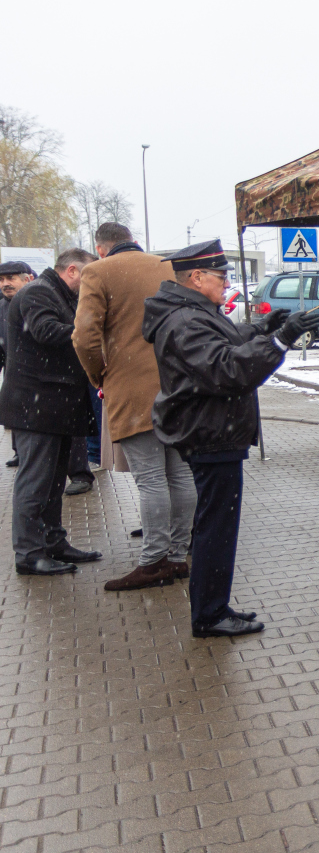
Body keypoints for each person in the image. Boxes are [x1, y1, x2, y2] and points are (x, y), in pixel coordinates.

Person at [143, 239, 319, 637]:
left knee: (216, 525)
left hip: (212, 431)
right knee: (216, 529)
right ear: (196, 277)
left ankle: (214, 606)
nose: (227, 282)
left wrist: (262, 328)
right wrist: (279, 340)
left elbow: (225, 337)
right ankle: (209, 614)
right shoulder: (185, 319)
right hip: (210, 433)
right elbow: (226, 369)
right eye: (221, 276)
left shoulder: (191, 311)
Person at [72, 221, 196, 590]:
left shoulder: (98, 271)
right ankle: (178, 556)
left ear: (101, 248)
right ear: (133, 241)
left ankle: (153, 562)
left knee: (151, 479)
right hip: (178, 385)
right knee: (180, 475)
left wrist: (99, 375)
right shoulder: (168, 267)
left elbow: (84, 337)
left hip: (132, 387)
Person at [0, 249, 104, 575]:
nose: (92, 283)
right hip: (36, 407)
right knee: (35, 482)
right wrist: (94, 332)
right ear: (72, 270)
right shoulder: (38, 292)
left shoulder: (59, 294)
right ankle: (29, 554)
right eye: (89, 275)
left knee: (54, 481)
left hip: (54, 406)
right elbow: (45, 331)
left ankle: (54, 542)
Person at [0, 262, 34, 469]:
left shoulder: (37, 301)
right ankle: (19, 453)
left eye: (11, 278)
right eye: (1, 279)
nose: (5, 284)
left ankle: (77, 471)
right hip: (13, 372)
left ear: (26, 279)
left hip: (39, 372)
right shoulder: (1, 307)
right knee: (16, 415)